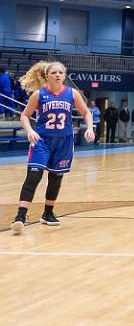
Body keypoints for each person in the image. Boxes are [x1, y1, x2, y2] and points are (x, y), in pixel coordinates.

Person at [10, 62, 94, 234]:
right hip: (42, 141)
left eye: (61, 72)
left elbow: (86, 112)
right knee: (33, 177)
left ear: (64, 76)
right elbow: (25, 115)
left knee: (56, 178)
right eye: (54, 72)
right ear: (47, 76)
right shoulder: (39, 95)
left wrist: (90, 128)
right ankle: (20, 216)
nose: (57, 75)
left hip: (64, 142)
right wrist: (29, 130)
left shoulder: (72, 94)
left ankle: (48, 213)